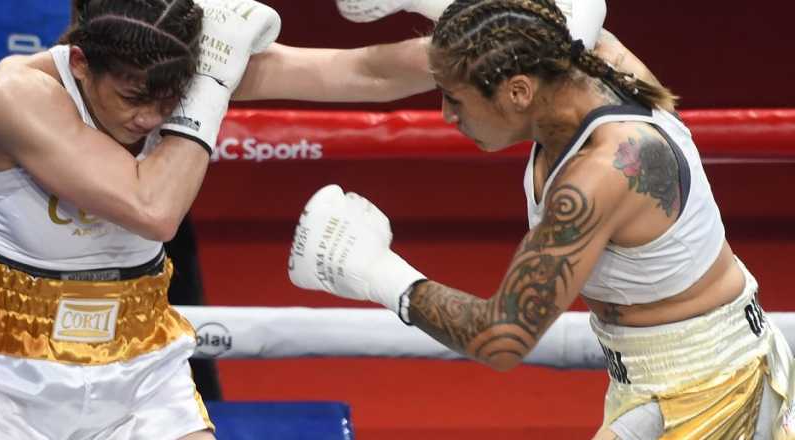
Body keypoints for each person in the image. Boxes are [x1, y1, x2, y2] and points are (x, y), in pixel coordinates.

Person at [282, 1, 794, 439]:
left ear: (518, 92)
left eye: (455, 99)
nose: (446, 115)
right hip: (676, 374)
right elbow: (541, 16)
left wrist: (372, 270)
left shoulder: (602, 173)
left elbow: (502, 336)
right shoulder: (586, 64)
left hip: (707, 389)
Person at [0, 0, 280, 439]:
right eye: (132, 97)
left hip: (140, 360)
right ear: (81, 63)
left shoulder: (181, 57)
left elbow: (351, 74)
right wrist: (210, 87)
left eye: (170, 98)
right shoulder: (18, 90)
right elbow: (156, 212)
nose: (150, 117)